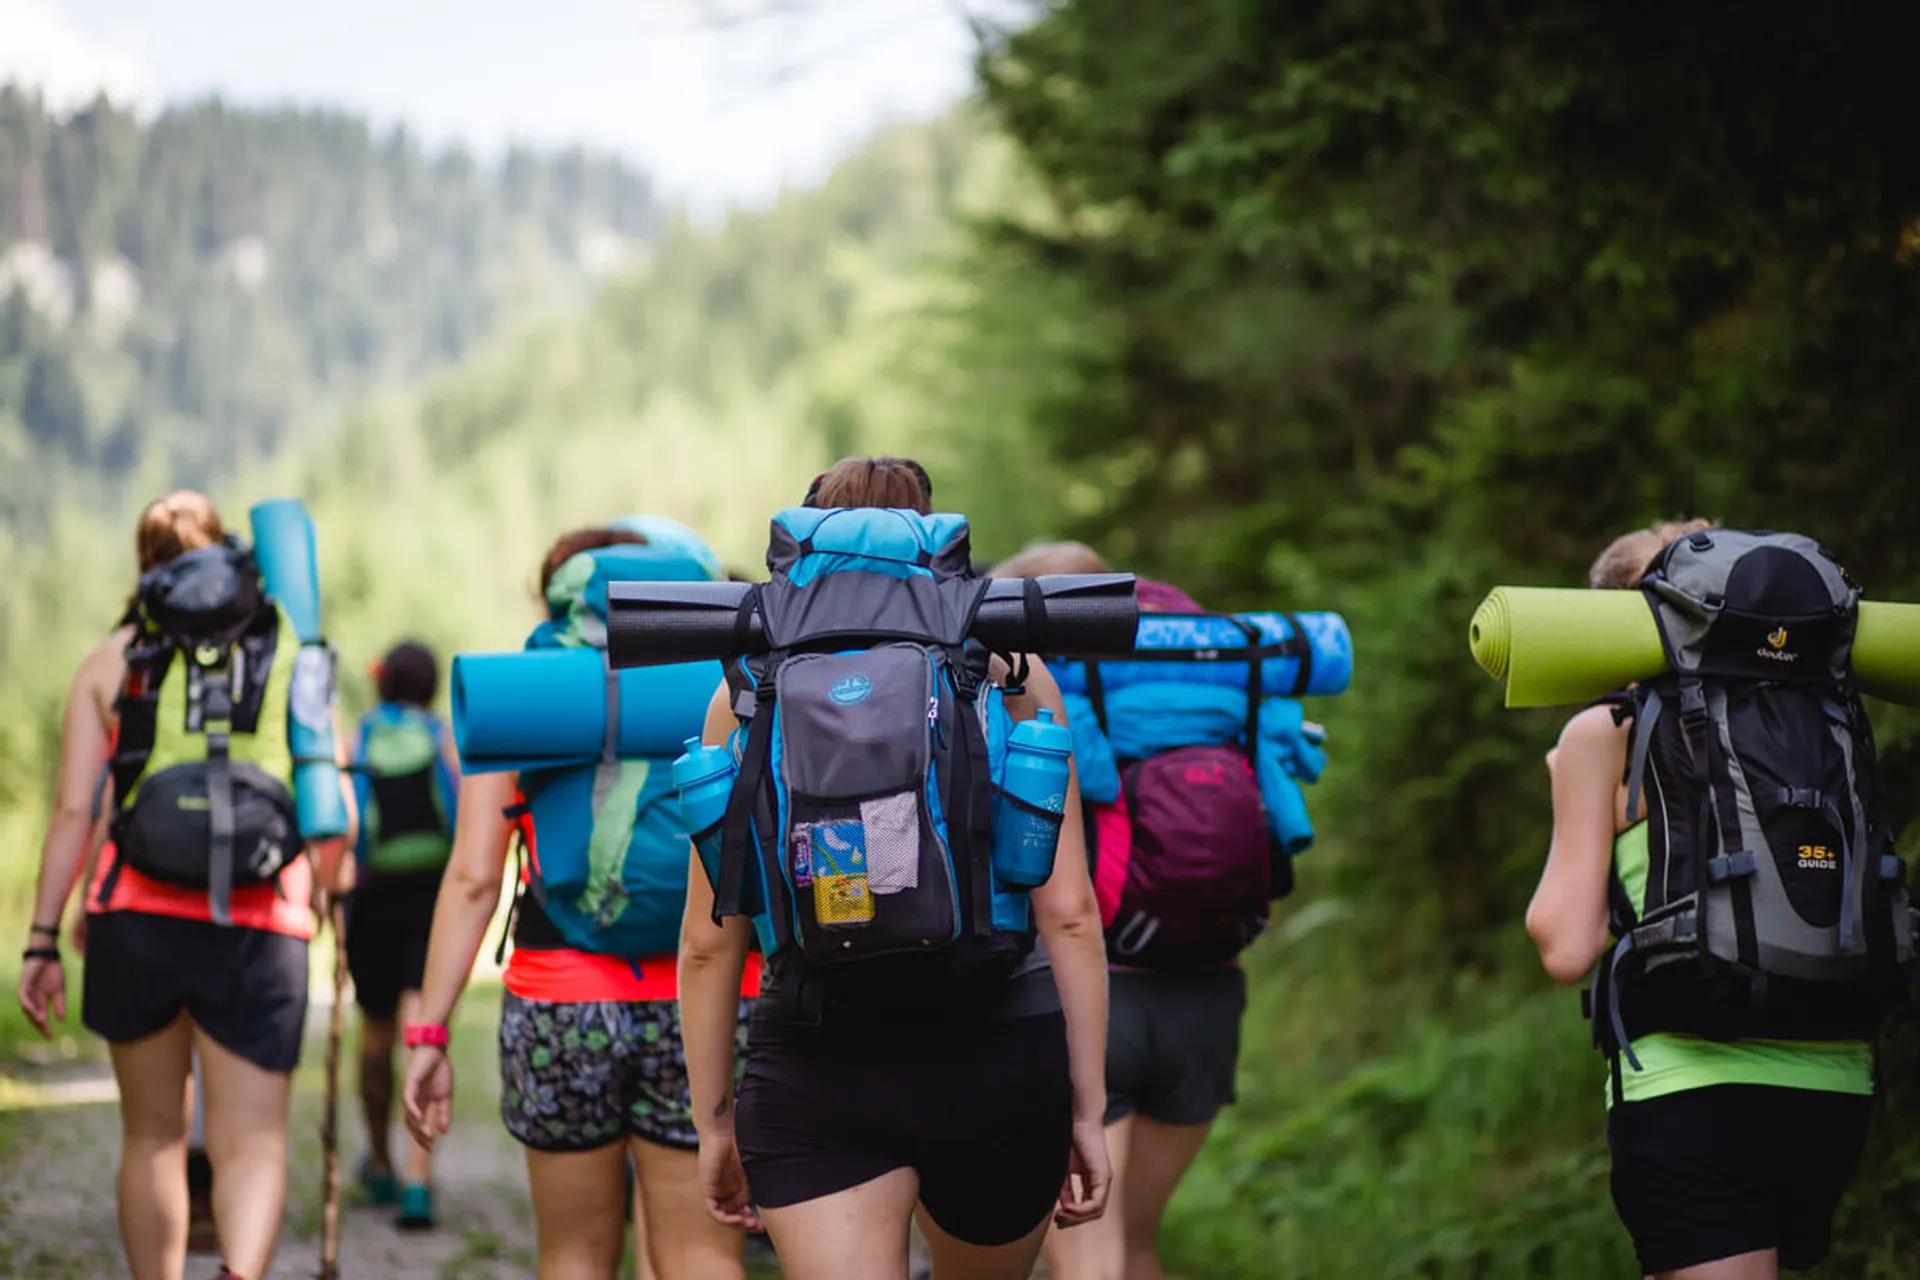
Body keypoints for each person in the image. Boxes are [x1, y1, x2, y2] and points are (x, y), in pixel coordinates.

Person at [678, 457, 1113, 1280]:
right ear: (931, 541)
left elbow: (709, 942)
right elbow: (1070, 913)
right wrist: (1087, 1110)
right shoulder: (1012, 672)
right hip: (996, 1047)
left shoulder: (744, 689)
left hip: (814, 1059)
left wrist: (713, 1122)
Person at [1526, 518, 1885, 1280]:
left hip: (1692, 1085)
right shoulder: (1821, 713)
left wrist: (1568, 778)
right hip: (1838, 1075)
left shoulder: (1606, 732)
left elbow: (1564, 944)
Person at [401, 521, 760, 1280]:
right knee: (701, 1251)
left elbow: (473, 878)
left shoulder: (523, 694)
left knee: (573, 1254)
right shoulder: (730, 682)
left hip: (560, 1003)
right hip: (712, 998)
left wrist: (430, 1033)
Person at [15, 489, 355, 1280]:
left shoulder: (113, 659)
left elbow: (74, 811)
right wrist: (328, 894)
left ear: (146, 565)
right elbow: (331, 794)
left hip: (135, 916)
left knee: (153, 1138)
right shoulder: (289, 646)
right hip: (262, 924)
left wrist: (42, 938)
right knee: (253, 1142)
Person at [998, 545, 1298, 1280]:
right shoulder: (1210, 664)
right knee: (1136, 1250)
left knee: (1088, 1261)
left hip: (1091, 1001)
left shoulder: (1038, 682)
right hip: (1209, 1001)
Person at [346, 640, 462, 1227]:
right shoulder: (444, 738)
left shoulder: (360, 737)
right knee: (424, 1028)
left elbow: (347, 822)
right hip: (431, 898)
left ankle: (381, 1161)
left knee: (374, 1033)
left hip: (371, 898)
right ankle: (419, 1180)